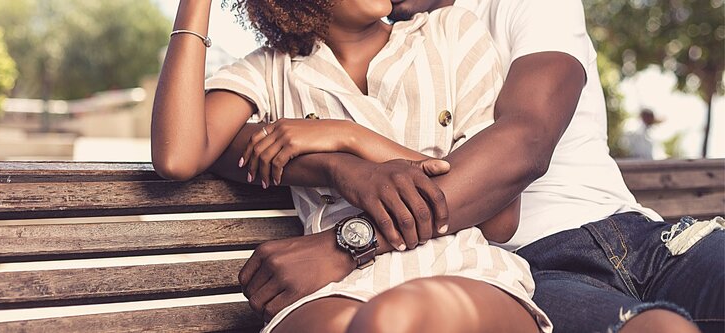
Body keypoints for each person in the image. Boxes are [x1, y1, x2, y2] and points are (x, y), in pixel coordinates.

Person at [212, 0, 723, 332]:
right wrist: (333, 162)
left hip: (644, 236)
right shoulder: (376, 47)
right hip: (529, 267)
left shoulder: (514, 8)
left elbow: (524, 144)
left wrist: (350, 241)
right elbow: (217, 146)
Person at [151, 0, 550, 332]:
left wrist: (350, 137)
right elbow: (177, 155)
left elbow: (499, 217)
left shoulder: (451, 33)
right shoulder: (270, 70)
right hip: (329, 287)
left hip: (464, 270)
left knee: (390, 321)